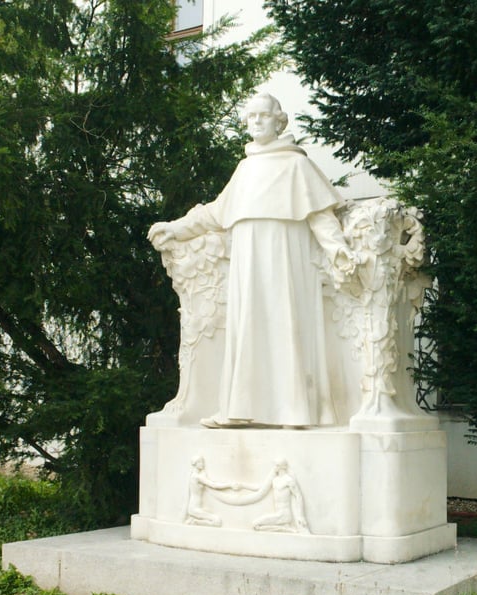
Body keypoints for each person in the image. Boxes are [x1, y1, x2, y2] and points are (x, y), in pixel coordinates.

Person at [149, 94, 357, 427]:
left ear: (280, 120)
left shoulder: (296, 165)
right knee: (246, 328)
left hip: (284, 255)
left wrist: (337, 248)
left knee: (284, 323)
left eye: (264, 116)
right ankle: (238, 410)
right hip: (247, 259)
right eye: (251, 117)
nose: (257, 122)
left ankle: (294, 411)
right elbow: (217, 212)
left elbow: (320, 214)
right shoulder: (246, 168)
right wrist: (176, 228)